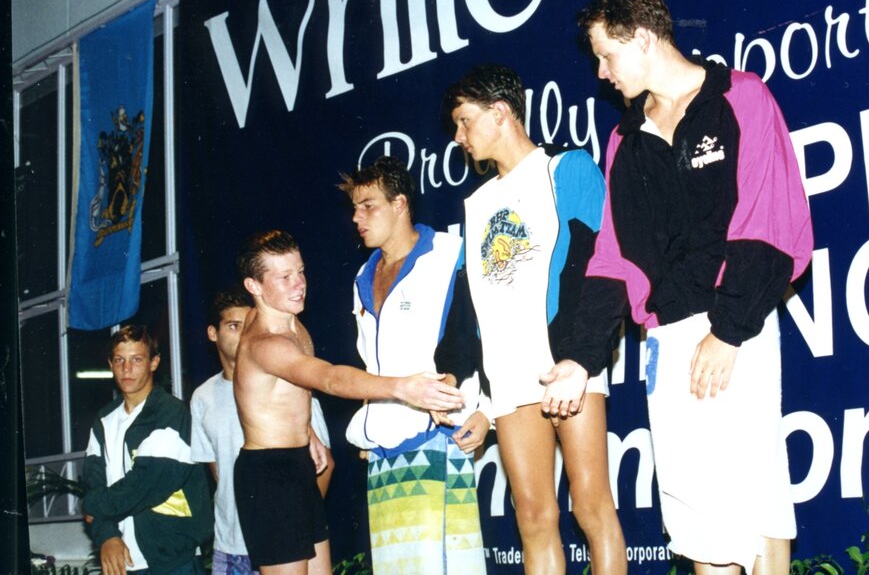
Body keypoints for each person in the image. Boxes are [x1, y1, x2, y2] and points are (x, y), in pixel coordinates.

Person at [549, 0, 814, 575]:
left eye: (605, 55)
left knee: (752, 503)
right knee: (695, 516)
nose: (600, 72)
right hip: (666, 341)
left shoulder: (740, 97)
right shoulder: (623, 140)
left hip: (732, 327)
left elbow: (768, 222)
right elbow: (614, 257)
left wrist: (729, 330)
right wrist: (579, 357)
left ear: (641, 39)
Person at [443, 64, 627, 575]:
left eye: (465, 121)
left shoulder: (566, 169)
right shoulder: (477, 204)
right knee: (534, 517)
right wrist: (466, 383)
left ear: (499, 113)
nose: (459, 137)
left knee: (591, 507)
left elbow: (595, 265)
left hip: (565, 363)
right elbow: (467, 303)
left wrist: (579, 356)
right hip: (508, 375)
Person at [231, 229, 465, 575]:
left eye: (300, 271)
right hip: (269, 475)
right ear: (254, 286)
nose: (299, 284)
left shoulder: (287, 319)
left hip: (297, 462)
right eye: (284, 277)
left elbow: (277, 390)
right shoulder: (266, 343)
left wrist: (306, 428)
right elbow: (328, 378)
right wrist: (402, 388)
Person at [339, 156, 488, 575]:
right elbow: (373, 365)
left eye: (368, 205)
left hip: (439, 437)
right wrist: (371, 425)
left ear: (400, 203)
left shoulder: (449, 253)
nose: (357, 217)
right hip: (382, 454)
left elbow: (478, 338)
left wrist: (487, 411)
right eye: (354, 208)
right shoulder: (362, 278)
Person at [190, 288, 334, 575]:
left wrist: (294, 522)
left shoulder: (290, 385)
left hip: (284, 539)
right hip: (230, 544)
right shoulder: (201, 397)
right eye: (233, 326)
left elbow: (324, 465)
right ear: (212, 333)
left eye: (249, 325)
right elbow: (217, 472)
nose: (243, 334)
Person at [82, 325, 213, 575]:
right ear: (110, 364)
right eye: (119, 360)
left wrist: (90, 506)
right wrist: (107, 535)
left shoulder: (171, 413)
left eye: (137, 359)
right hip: (120, 560)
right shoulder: (104, 420)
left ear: (154, 363)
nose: (126, 368)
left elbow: (146, 485)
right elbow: (92, 482)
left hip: (172, 559)